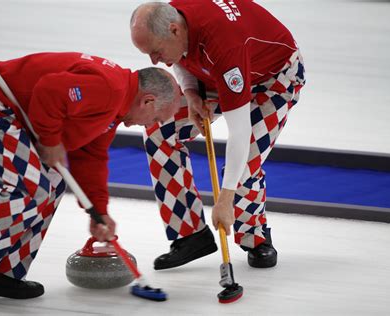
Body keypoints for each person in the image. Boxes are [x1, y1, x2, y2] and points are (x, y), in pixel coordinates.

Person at [0, 52, 181, 308]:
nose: (150, 124)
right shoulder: (109, 88)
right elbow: (49, 90)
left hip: (2, 110)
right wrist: (50, 140)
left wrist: (98, 212)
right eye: (156, 119)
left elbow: (90, 156)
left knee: (51, 185)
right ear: (148, 101)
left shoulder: (115, 107)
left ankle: (1, 271)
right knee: (30, 189)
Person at [130, 1, 306, 271]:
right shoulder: (175, 17)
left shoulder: (225, 44)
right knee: (159, 131)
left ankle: (255, 238)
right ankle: (190, 235)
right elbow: (179, 56)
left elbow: (239, 131)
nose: (154, 62)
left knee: (244, 163)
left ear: (175, 31)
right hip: (216, 72)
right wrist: (190, 93)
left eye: (156, 52)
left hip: (271, 80)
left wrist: (224, 200)